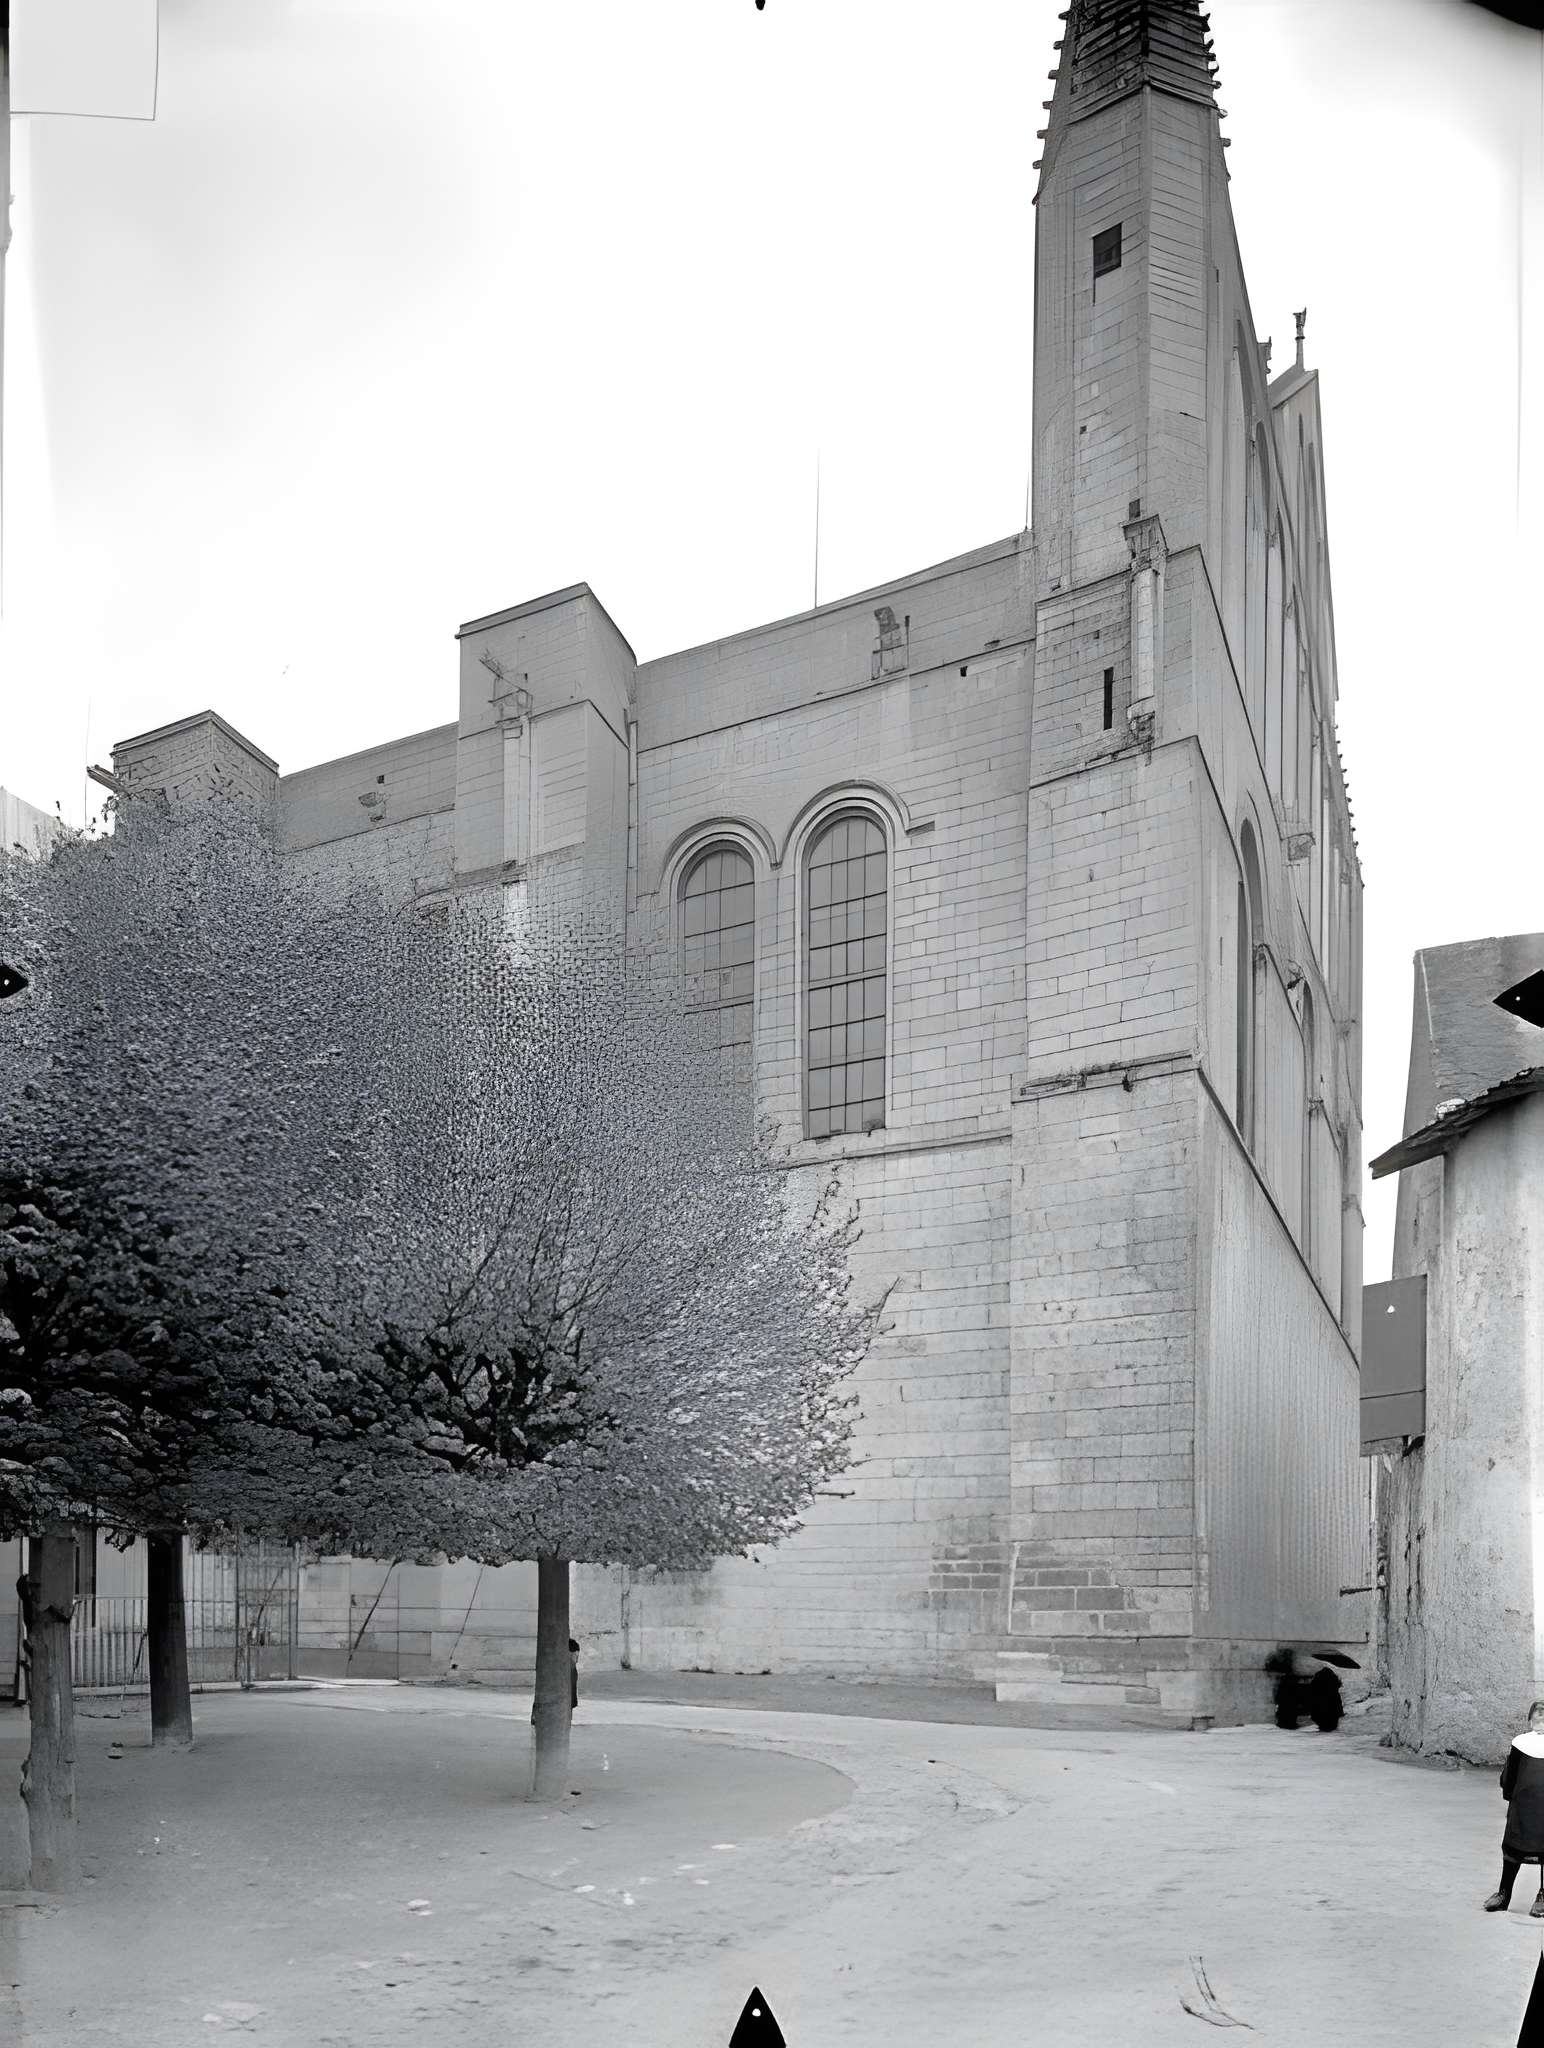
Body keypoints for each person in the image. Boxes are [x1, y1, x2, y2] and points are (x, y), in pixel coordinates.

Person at [1485, 1701, 1544, 1915]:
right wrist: (1514, 1798)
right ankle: (1504, 1893)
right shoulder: (1520, 1743)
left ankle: (1543, 1895)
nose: (1541, 1718)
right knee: (1512, 1847)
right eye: (1538, 1716)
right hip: (1524, 1808)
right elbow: (1509, 1780)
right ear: (1529, 1722)